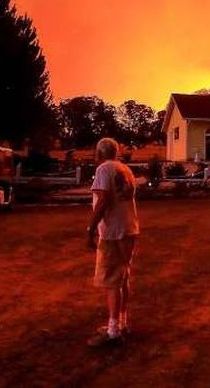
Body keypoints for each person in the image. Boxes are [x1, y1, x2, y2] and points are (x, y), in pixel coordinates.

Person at [86, 138, 140, 347]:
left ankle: (112, 330)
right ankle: (121, 323)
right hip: (129, 228)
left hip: (112, 232)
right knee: (122, 278)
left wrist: (91, 230)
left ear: (99, 153)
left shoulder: (103, 170)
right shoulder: (125, 169)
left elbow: (103, 201)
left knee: (111, 281)